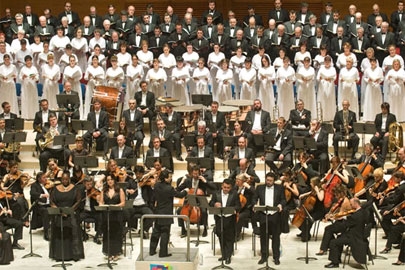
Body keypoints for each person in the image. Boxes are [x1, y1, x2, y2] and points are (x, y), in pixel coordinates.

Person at [150, 169, 188, 257]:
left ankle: (152, 250)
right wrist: (186, 191)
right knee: (165, 232)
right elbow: (180, 195)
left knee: (156, 231)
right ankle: (163, 252)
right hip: (166, 212)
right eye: (170, 177)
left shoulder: (156, 185)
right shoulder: (169, 188)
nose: (171, 178)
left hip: (158, 211)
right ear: (166, 178)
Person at [49, 171, 84, 261]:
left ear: (69, 179)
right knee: (58, 232)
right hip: (59, 214)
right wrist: (59, 210)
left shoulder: (75, 188)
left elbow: (78, 201)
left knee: (73, 232)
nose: (65, 181)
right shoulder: (55, 188)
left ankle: (73, 255)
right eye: (63, 179)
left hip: (71, 214)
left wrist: (69, 210)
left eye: (66, 179)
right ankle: (59, 255)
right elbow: (52, 201)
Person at [324, 197, 367, 268]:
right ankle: (337, 259)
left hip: (353, 237)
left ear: (356, 204)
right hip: (357, 234)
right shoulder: (362, 212)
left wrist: (337, 219)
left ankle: (335, 263)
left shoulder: (356, 216)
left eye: (351, 204)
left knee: (333, 242)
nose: (350, 206)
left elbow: (345, 225)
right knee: (339, 237)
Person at [254, 172, 286, 265]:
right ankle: (264, 256)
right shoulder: (259, 188)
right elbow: (254, 198)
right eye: (267, 180)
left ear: (274, 181)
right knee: (264, 236)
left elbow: (283, 200)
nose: (268, 182)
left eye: (270, 181)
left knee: (276, 237)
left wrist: (280, 205)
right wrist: (255, 204)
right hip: (263, 214)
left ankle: (276, 257)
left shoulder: (279, 188)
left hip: (275, 214)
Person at [209, 178, 241, 265]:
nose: (226, 189)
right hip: (219, 218)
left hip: (230, 218)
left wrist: (234, 210)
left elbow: (238, 206)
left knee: (229, 238)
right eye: (224, 187)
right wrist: (214, 204)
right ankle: (224, 254)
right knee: (220, 235)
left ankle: (228, 256)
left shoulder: (234, 194)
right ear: (221, 186)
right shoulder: (216, 193)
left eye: (228, 188)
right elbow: (211, 203)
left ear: (231, 188)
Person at [99, 174, 125, 261]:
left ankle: (116, 252)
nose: (110, 181)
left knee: (116, 233)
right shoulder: (104, 190)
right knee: (107, 233)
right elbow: (101, 203)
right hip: (107, 215)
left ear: (114, 180)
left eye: (111, 179)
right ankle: (109, 252)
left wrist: (116, 206)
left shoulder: (119, 190)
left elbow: (123, 203)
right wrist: (105, 205)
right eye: (108, 179)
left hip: (117, 215)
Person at [126, 165, 154, 238]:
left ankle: (143, 230)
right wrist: (128, 190)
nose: (138, 175)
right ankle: (123, 232)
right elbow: (124, 188)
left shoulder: (145, 182)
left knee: (151, 215)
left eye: (140, 173)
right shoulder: (131, 181)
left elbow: (152, 190)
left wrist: (151, 184)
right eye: (137, 173)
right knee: (123, 214)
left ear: (142, 173)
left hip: (143, 205)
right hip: (133, 205)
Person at [30, 171, 51, 240]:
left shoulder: (46, 185)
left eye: (46, 177)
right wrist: (42, 195)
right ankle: (46, 233)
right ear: (39, 179)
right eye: (44, 177)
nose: (46, 179)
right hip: (39, 206)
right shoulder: (34, 185)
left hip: (48, 204)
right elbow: (32, 193)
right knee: (45, 212)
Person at [19, 55, 38, 119]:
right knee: (25, 101)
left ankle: (33, 116)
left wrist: (34, 77)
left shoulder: (34, 68)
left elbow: (37, 77)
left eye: (29, 60)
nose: (28, 62)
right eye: (27, 61)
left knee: (33, 101)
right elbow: (19, 78)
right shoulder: (23, 69)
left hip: (32, 87)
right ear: (25, 62)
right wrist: (23, 77)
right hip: (25, 88)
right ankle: (25, 116)